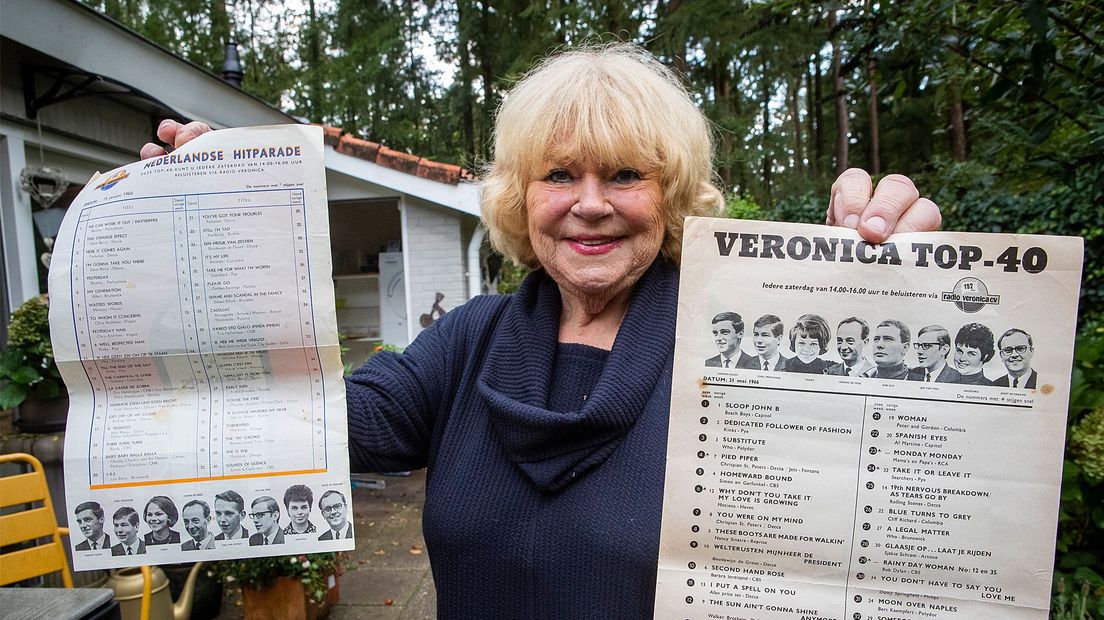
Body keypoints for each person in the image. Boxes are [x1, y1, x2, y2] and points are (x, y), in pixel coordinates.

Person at [144, 44, 940, 618]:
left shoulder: (735, 350)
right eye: (558, 174)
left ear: (673, 196)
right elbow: (307, 421)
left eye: (625, 174)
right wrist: (222, 244)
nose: (588, 202)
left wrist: (877, 295)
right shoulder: (469, 342)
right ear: (520, 199)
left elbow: (871, 497)